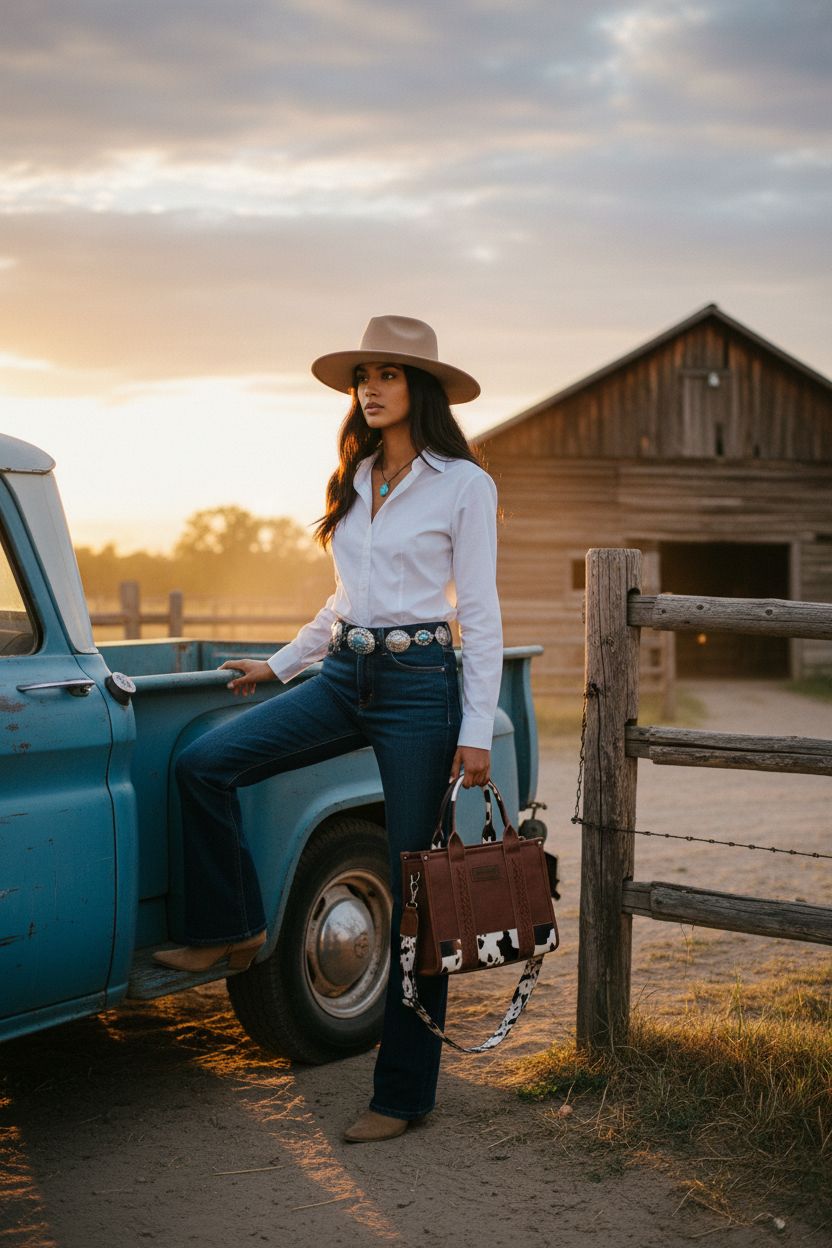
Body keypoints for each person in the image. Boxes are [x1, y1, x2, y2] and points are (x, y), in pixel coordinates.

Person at [154, 315, 503, 1142]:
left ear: (421, 387)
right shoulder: (350, 478)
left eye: (387, 374)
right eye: (362, 376)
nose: (370, 389)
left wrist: (477, 726)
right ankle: (231, 926)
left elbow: (480, 611)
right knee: (205, 762)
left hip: (422, 686)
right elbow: (342, 601)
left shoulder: (462, 483)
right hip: (345, 673)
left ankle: (404, 1094)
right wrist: (279, 665)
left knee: (413, 886)